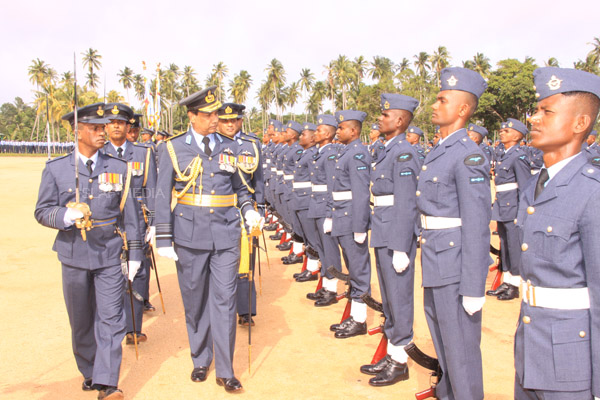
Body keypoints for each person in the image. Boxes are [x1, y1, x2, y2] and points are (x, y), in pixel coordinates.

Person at [155, 86, 262, 393]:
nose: (215, 119)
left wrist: (248, 210)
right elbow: (161, 193)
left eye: (216, 113)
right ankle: (201, 358)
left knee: (225, 300)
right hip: (188, 234)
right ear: (192, 116)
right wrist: (163, 236)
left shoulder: (231, 146)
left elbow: (241, 188)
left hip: (226, 233)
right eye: (208, 114)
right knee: (195, 299)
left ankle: (225, 370)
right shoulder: (173, 148)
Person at [34, 103, 143, 400]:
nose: (102, 132)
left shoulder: (119, 168)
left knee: (111, 318)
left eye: (102, 127)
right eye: (94, 128)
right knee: (81, 320)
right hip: (73, 253)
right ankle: (90, 370)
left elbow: (130, 215)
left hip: (109, 253)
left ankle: (108, 384)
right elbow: (42, 210)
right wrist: (65, 216)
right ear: (77, 131)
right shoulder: (56, 168)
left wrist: (135, 253)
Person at [513, 67, 600, 399]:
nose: (533, 119)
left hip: (571, 361)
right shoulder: (536, 184)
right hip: (530, 347)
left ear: (580, 123)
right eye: (536, 110)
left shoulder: (592, 190)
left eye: (546, 112)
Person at [416, 67, 491, 399]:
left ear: (462, 109)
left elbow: (477, 223)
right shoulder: (441, 149)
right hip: (436, 256)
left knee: (460, 351)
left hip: (455, 263)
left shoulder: (468, 155)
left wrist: (474, 286)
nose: (434, 105)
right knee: (444, 343)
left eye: (442, 100)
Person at [360, 93, 422, 386]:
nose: (380, 119)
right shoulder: (388, 150)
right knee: (389, 297)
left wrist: (400, 247)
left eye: (385, 115)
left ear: (399, 121)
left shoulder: (404, 153)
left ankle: (400, 362)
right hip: (383, 229)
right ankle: (392, 353)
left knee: (399, 298)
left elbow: (407, 202)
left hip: (395, 233)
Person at [102, 103, 157, 343]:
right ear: (105, 127)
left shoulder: (143, 153)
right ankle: (113, 324)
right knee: (109, 272)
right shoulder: (99, 152)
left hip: (137, 221)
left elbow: (152, 190)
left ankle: (133, 328)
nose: (116, 127)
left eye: (121, 123)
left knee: (138, 271)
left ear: (128, 127)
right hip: (107, 222)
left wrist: (154, 223)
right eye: (112, 123)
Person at [217, 102, 264, 327]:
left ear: (240, 121)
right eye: (225, 120)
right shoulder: (213, 144)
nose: (229, 124)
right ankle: (224, 306)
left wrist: (260, 209)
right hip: (220, 209)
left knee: (247, 261)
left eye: (234, 120)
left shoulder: (251, 144)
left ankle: (245, 311)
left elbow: (259, 179)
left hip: (247, 210)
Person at [326, 110, 372, 338]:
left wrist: (360, 226)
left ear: (353, 131)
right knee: (352, 269)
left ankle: (360, 320)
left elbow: (361, 193)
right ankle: (354, 315)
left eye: (342, 128)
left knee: (359, 270)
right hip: (342, 216)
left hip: (351, 218)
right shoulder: (347, 151)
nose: (338, 131)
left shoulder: (358, 153)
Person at [487, 118, 531, 301]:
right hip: (503, 206)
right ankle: (506, 281)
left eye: (506, 131)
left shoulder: (518, 157)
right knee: (504, 245)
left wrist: (521, 214)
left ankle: (514, 285)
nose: (502, 133)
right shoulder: (504, 154)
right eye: (502, 130)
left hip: (513, 208)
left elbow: (525, 188)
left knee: (514, 246)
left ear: (516, 136)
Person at [305, 114, 343, 306]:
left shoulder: (329, 155)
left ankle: (332, 289)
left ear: (328, 134)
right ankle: (326, 285)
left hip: (324, 207)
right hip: (316, 205)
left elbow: (332, 186)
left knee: (330, 250)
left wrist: (330, 213)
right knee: (321, 248)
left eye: (319, 131)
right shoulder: (320, 153)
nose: (315, 134)